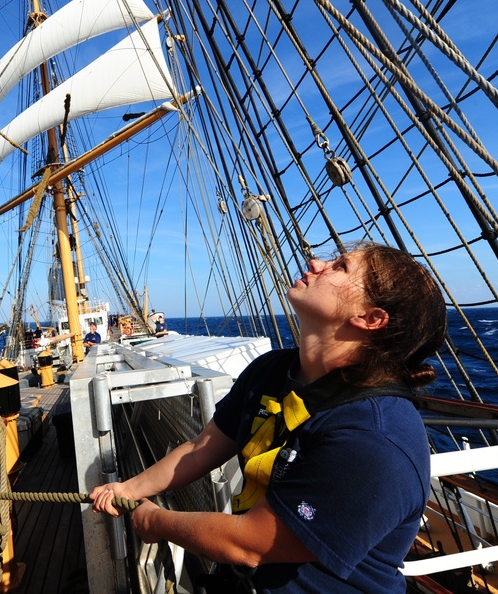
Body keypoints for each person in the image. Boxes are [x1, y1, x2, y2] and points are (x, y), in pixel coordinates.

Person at [90, 243, 446, 592]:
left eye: (340, 266)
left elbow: (252, 544)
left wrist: (156, 520)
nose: (317, 263)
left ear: (370, 318)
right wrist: (125, 489)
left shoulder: (375, 436)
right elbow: (201, 448)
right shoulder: (271, 371)